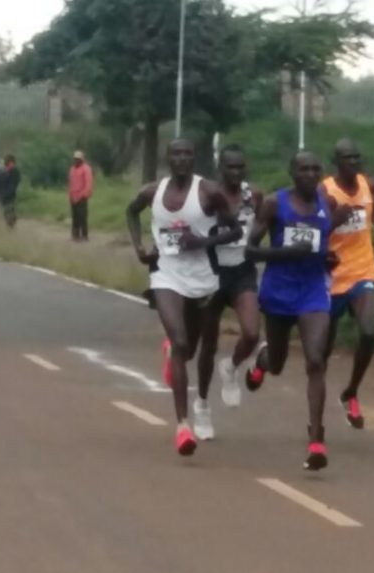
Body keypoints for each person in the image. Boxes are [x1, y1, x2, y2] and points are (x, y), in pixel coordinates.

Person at [126, 138, 241, 455]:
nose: (182, 159)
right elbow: (131, 212)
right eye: (176, 153)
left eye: (187, 154)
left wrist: (202, 242)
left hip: (202, 278)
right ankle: (182, 425)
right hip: (166, 274)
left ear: (194, 158)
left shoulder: (209, 192)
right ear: (168, 158)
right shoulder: (153, 192)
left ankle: (173, 354)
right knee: (179, 343)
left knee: (190, 348)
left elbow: (235, 231)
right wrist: (139, 247)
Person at [245, 150, 352, 471]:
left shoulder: (326, 203)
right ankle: (262, 360)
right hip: (279, 292)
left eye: (315, 169)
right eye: (304, 169)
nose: (310, 174)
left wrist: (325, 256)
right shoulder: (274, 204)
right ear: (292, 173)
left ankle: (316, 439)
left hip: (313, 291)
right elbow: (250, 251)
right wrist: (286, 252)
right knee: (277, 363)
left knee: (316, 360)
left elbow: (319, 240)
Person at [195, 144, 264, 420]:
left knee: (252, 333)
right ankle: (202, 404)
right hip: (211, 273)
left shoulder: (254, 195)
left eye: (240, 167)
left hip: (242, 271)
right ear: (219, 168)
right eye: (230, 167)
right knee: (208, 344)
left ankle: (232, 366)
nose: (236, 172)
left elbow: (261, 227)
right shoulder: (207, 196)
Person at [321, 138, 374, 429]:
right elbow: (314, 229)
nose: (354, 162)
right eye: (347, 158)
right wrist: (334, 222)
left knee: (369, 331)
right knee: (321, 352)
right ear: (336, 162)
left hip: (363, 272)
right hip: (332, 278)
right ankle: (316, 415)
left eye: (357, 157)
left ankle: (351, 392)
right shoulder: (325, 192)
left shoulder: (369, 186)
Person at [69, 150, 94, 241]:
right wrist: (70, 195)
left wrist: (85, 195)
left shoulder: (86, 169)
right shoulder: (72, 169)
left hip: (82, 196)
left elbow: (88, 183)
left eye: (78, 159)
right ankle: (75, 235)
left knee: (82, 217)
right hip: (73, 196)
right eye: (75, 159)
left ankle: (84, 235)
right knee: (75, 217)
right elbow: (71, 183)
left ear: (82, 159)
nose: (76, 160)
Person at [0, 154, 21, 229]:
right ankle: (10, 224)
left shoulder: (14, 171)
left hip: (9, 194)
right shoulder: (5, 171)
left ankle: (11, 224)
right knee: (7, 211)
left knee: (9, 210)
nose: (10, 164)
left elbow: (15, 183)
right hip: (6, 194)